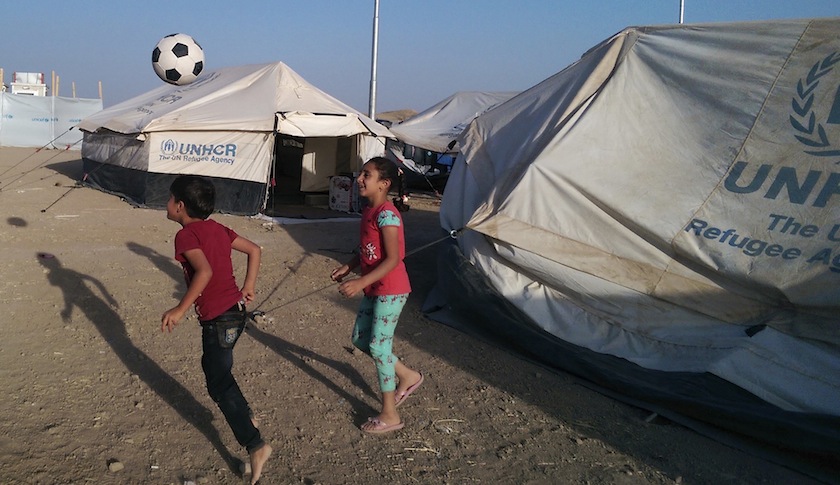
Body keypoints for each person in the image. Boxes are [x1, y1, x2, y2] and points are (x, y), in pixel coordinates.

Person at [160, 175, 272, 484]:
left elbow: (204, 271)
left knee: (217, 381)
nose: (167, 204)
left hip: (219, 319)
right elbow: (255, 250)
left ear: (180, 206)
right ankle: (246, 414)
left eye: (170, 199)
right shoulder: (218, 229)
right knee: (219, 371)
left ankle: (255, 444)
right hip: (234, 314)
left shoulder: (186, 236)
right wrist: (248, 287)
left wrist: (180, 309)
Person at [330, 157, 424, 434]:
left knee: (379, 348)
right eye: (360, 174)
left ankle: (390, 414)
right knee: (361, 339)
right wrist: (349, 267)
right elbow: (368, 250)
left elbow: (394, 259)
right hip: (375, 287)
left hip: (391, 290)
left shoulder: (387, 214)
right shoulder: (369, 211)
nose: (359, 179)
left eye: (366, 175)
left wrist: (360, 283)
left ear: (383, 184)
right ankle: (408, 376)